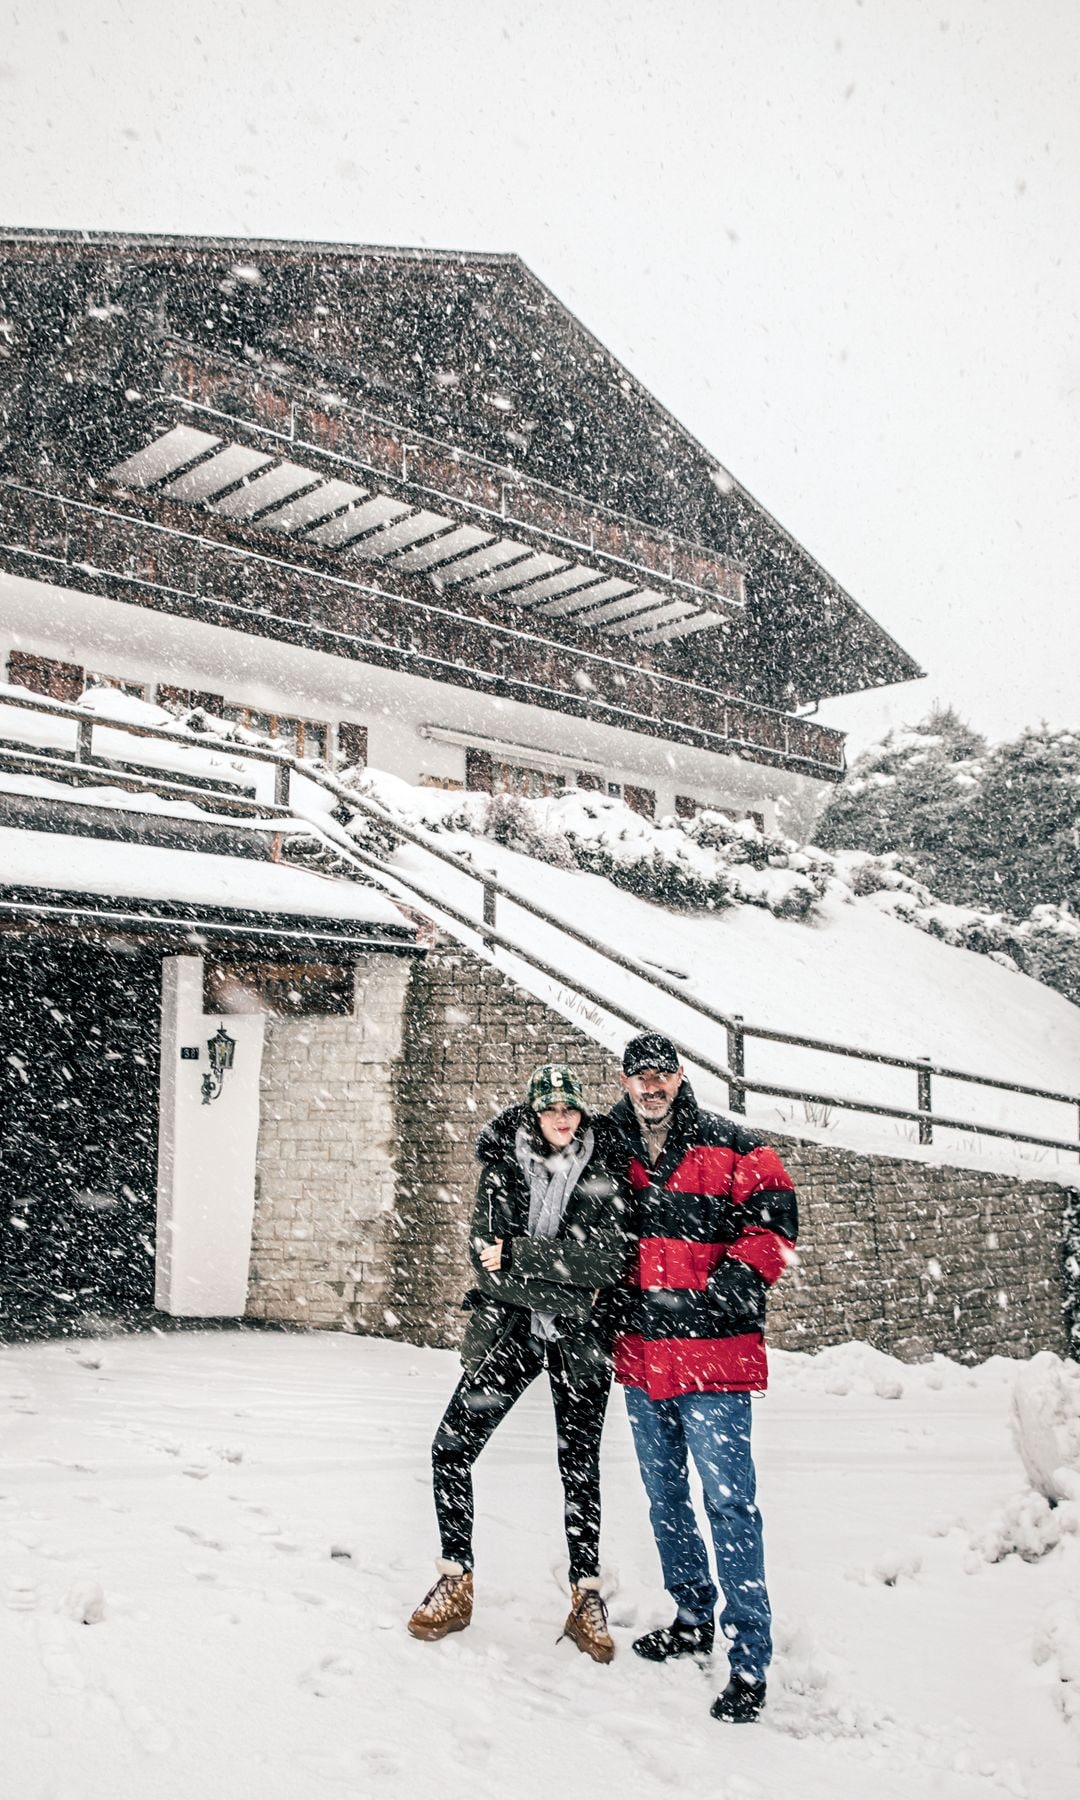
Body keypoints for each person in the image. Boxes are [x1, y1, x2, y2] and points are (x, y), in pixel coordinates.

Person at [407, 1062, 633, 1661]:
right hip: (510, 1332)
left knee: (579, 1464)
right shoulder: (502, 1167)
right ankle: (456, 1579)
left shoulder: (605, 1170)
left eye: (571, 1108)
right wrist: (563, 1284)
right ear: (535, 1114)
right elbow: (486, 1266)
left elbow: (608, 1266)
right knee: (451, 1448)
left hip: (581, 1341)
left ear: (581, 1112)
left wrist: (523, 1253)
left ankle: (586, 1597)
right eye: (551, 1108)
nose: (562, 1118)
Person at [607, 1032, 798, 1724]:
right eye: (640, 1075)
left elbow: (775, 1220)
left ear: (681, 1075)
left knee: (729, 1504)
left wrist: (728, 1290)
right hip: (642, 1358)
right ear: (626, 1080)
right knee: (665, 1497)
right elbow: (541, 1145)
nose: (651, 1085)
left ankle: (750, 1657)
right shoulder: (610, 1148)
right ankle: (691, 1614)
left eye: (662, 1073)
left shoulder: (733, 1145)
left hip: (715, 1357)